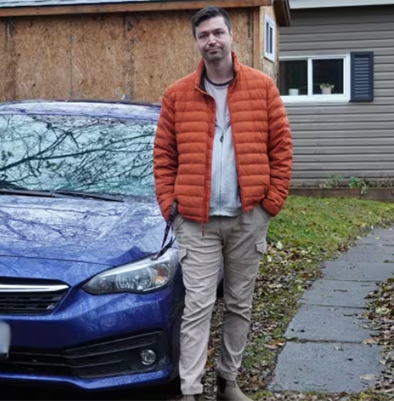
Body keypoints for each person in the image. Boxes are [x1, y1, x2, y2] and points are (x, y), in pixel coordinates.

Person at [152, 6, 293, 401]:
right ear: (197, 43)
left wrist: (270, 204)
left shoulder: (262, 88)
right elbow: (163, 156)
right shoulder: (177, 94)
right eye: (204, 35)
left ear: (231, 37)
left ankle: (228, 382)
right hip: (196, 223)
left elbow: (282, 148)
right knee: (198, 305)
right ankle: (191, 390)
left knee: (239, 304)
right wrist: (170, 206)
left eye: (217, 32)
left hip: (248, 218)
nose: (211, 40)